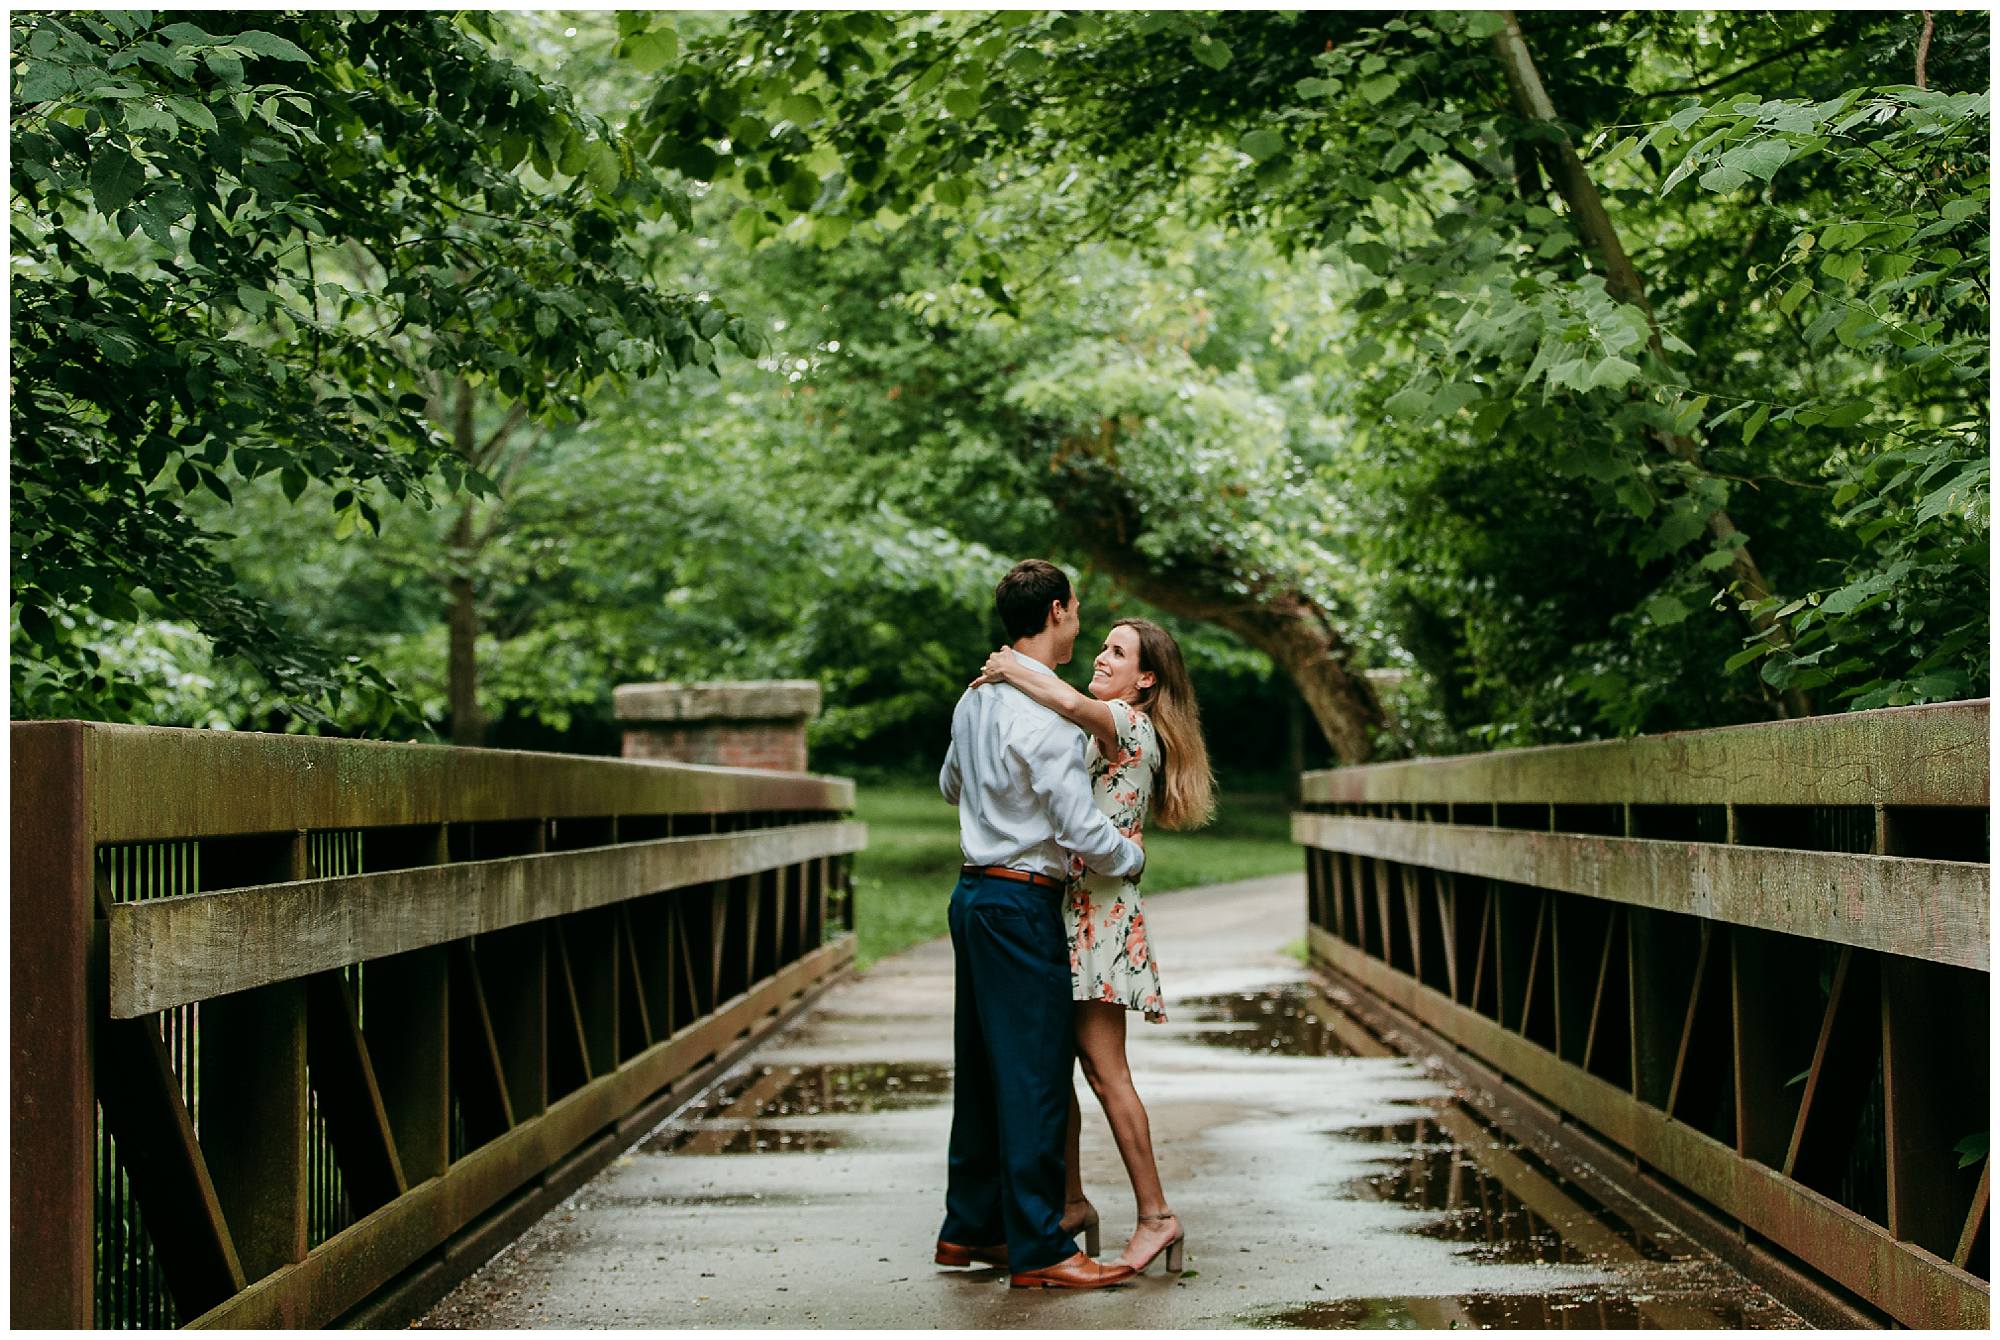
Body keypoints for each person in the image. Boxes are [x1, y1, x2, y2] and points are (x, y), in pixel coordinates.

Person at [972, 616, 1215, 1276]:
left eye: (1118, 652)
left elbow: (1067, 701)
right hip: (1069, 908)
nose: (1102, 657)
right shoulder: (1104, 723)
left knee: (1108, 1075)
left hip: (1099, 918)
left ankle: (1157, 1217)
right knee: (1057, 1067)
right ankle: (1070, 1203)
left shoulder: (1127, 724)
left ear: (1147, 680)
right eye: (1103, 645)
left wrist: (1010, 663)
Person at [934, 559, 1147, 1290]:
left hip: (971, 898)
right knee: (1033, 1075)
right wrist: (1132, 856)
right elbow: (1080, 827)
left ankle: (970, 1230)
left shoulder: (976, 699)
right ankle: (1043, 1250)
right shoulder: (1051, 718)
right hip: (1022, 900)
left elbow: (949, 784)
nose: (1081, 620)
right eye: (1078, 608)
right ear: (1056, 610)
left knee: (985, 1069)